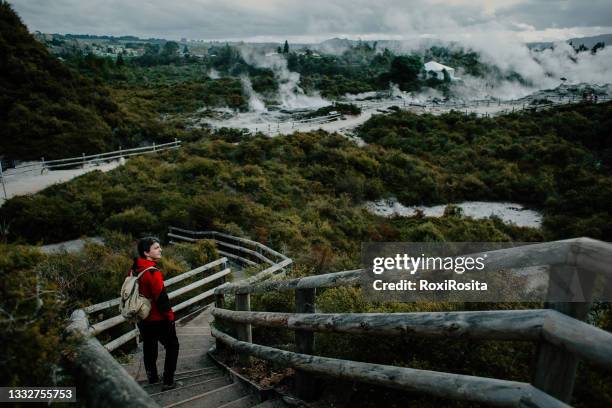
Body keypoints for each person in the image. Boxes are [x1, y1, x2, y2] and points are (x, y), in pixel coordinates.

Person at [132, 237, 181, 390]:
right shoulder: (153, 272)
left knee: (149, 346)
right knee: (172, 346)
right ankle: (168, 381)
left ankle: (152, 377)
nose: (160, 250)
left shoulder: (134, 269)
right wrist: (170, 318)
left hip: (142, 317)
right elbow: (161, 298)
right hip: (157, 318)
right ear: (147, 252)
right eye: (156, 248)